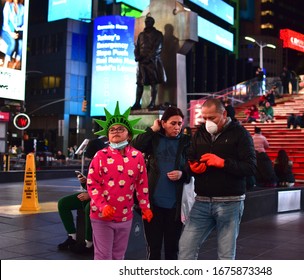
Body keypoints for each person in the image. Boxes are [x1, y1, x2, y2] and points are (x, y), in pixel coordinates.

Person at [178, 98, 257, 260]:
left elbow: (250, 167)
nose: (208, 122)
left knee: (225, 255)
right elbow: (190, 157)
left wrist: (223, 163)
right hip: (201, 200)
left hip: (230, 202)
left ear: (224, 114)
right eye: (204, 118)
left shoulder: (240, 134)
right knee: (186, 247)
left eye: (212, 118)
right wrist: (191, 168)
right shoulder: (200, 133)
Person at [87, 101, 153, 260]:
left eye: (120, 129)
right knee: (103, 258)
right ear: (108, 135)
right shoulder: (100, 156)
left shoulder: (137, 156)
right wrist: (102, 205)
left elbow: (142, 184)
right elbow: (92, 183)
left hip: (125, 216)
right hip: (101, 216)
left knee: (118, 256)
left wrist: (145, 207)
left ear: (129, 134)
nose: (115, 132)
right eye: (112, 130)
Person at [131, 106, 191, 260]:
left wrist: (183, 174)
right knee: (154, 249)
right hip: (153, 204)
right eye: (172, 123)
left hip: (175, 206)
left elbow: (194, 167)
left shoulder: (186, 142)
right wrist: (152, 129)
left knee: (172, 250)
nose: (177, 127)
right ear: (163, 123)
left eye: (179, 123)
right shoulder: (154, 139)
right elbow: (135, 148)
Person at [57, 138, 107, 255]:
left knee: (89, 208)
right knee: (63, 203)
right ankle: (72, 236)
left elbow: (108, 187)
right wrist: (84, 181)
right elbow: (91, 185)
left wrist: (90, 195)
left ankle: (89, 243)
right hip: (89, 194)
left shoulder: (107, 164)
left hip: (100, 199)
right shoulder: (92, 163)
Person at [131, 16, 166, 110]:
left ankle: (152, 103)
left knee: (153, 82)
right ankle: (137, 103)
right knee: (139, 83)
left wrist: (149, 57)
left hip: (152, 62)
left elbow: (158, 47)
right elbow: (137, 47)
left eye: (149, 21)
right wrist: (137, 56)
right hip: (141, 62)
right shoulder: (141, 35)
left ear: (152, 23)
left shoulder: (158, 34)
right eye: (146, 21)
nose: (147, 23)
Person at [1, 0, 24, 69]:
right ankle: (5, 64)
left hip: (17, 32)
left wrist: (19, 30)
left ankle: (14, 65)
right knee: (12, 43)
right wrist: (11, 33)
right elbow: (5, 23)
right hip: (7, 31)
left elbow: (23, 23)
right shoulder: (8, 5)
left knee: (21, 45)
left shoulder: (22, 7)